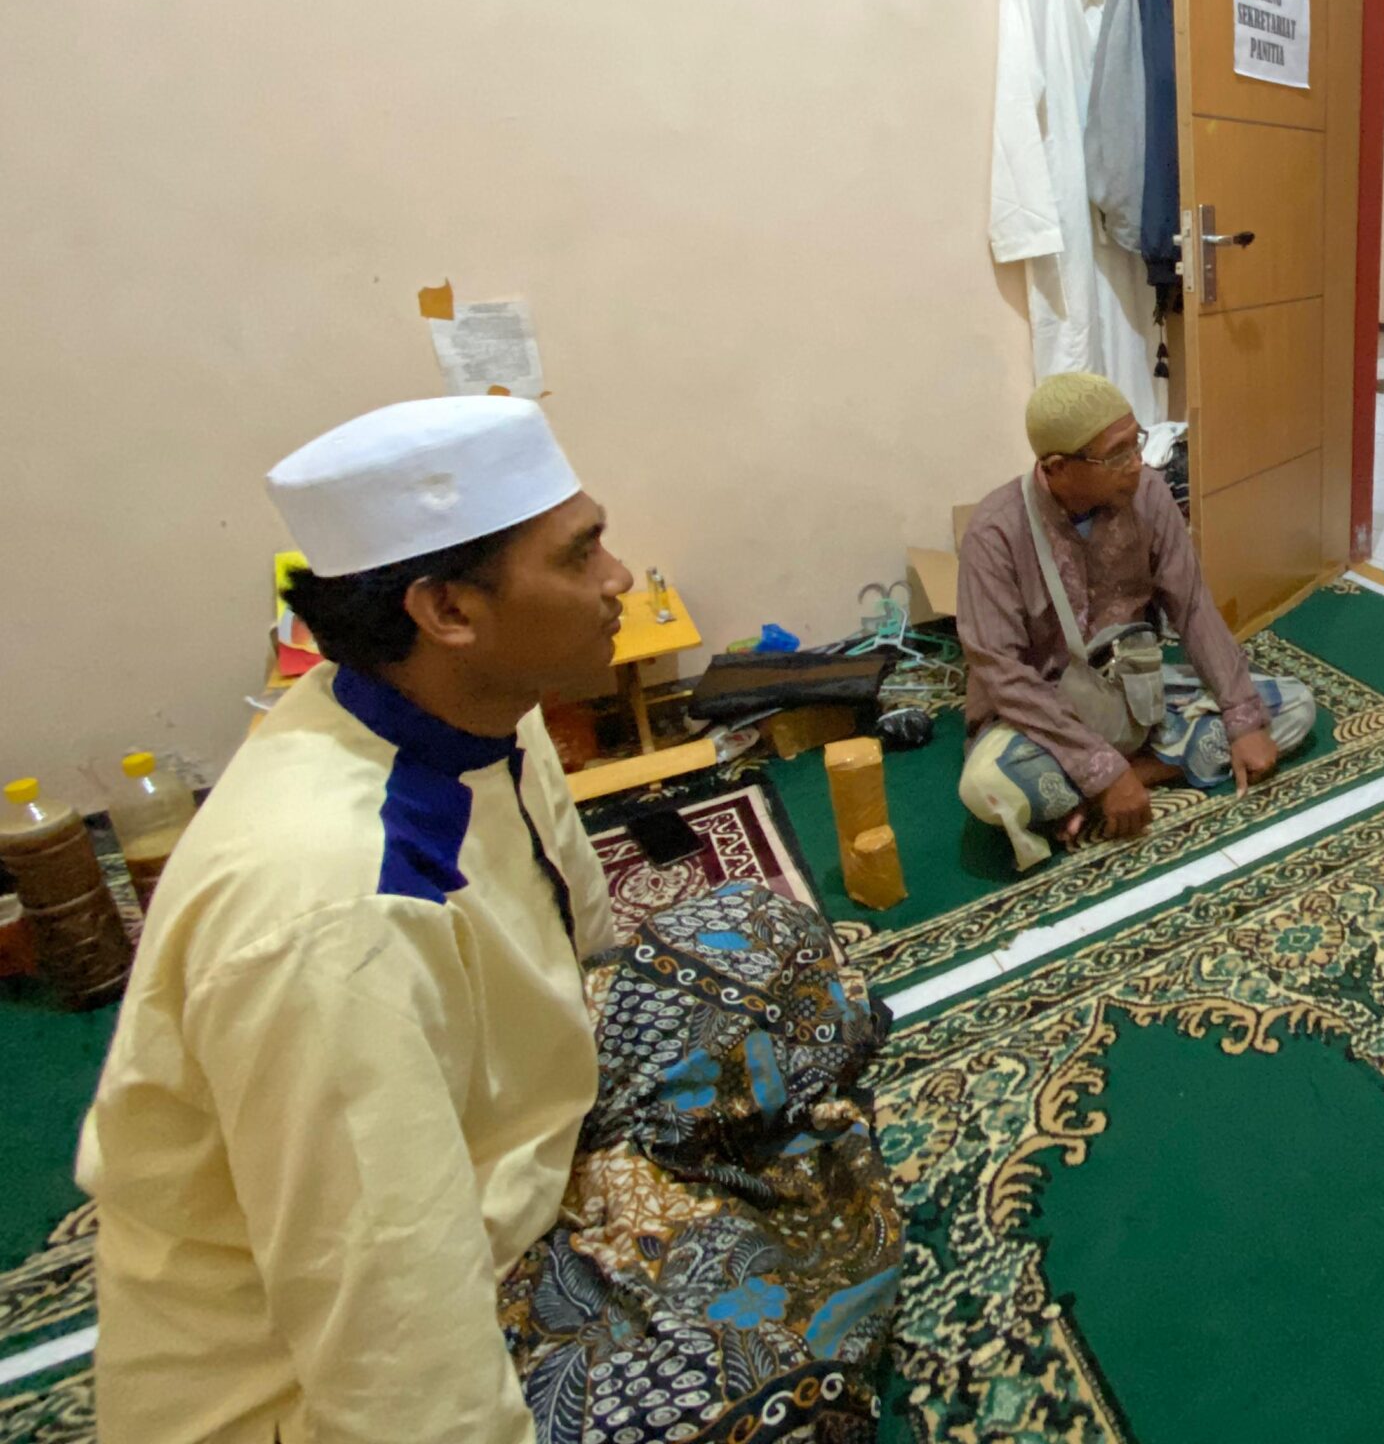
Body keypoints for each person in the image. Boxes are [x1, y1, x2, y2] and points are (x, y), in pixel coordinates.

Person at [79, 398, 903, 1443]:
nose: (619, 579)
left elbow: (589, 956)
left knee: (762, 935)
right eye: (581, 554)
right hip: (328, 1371)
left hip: (505, 1144)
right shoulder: (330, 921)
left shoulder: (477, 706)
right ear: (447, 612)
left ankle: (682, 1212)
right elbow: (391, 1356)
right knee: (775, 1393)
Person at [957, 372, 1315, 869]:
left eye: (1136, 442)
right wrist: (1098, 767)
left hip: (1135, 695)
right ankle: (1122, 776)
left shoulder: (1149, 495)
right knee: (986, 787)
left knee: (1294, 706)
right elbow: (1004, 675)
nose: (1137, 463)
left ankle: (1130, 779)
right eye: (1117, 455)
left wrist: (1241, 717)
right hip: (1045, 714)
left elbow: (1192, 607)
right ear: (1058, 468)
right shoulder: (995, 532)